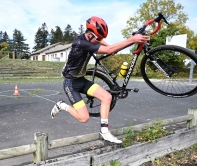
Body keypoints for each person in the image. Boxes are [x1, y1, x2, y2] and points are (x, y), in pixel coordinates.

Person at [50, 16, 150, 144]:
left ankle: (105, 132)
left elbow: (103, 45)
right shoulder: (80, 43)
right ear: (90, 34)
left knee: (107, 97)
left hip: (81, 80)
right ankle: (61, 105)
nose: (100, 40)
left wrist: (107, 44)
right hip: (71, 84)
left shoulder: (90, 38)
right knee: (84, 118)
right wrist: (132, 39)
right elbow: (108, 50)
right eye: (98, 38)